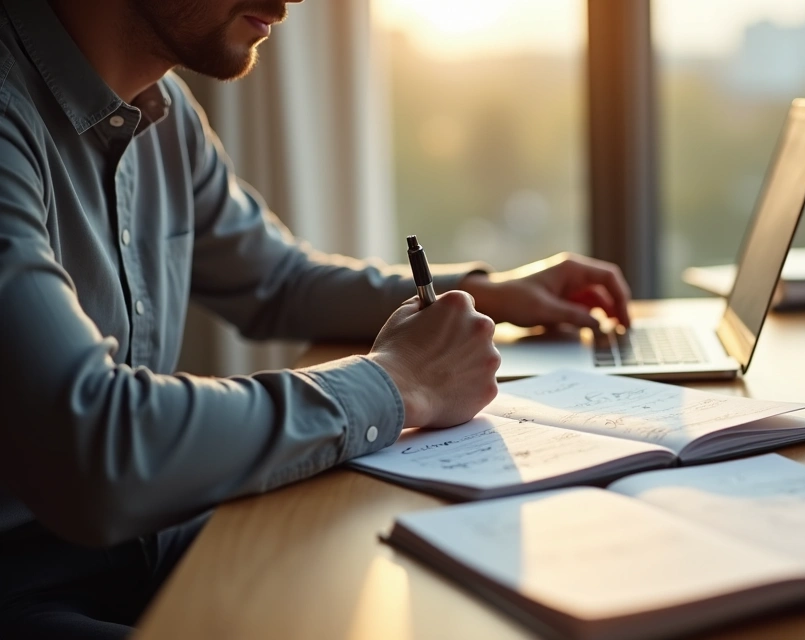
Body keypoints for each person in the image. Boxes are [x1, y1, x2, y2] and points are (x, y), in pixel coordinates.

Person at [0, 0, 632, 636]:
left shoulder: (165, 114)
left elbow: (277, 279)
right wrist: (398, 383)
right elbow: (94, 445)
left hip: (146, 545)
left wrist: (487, 292)